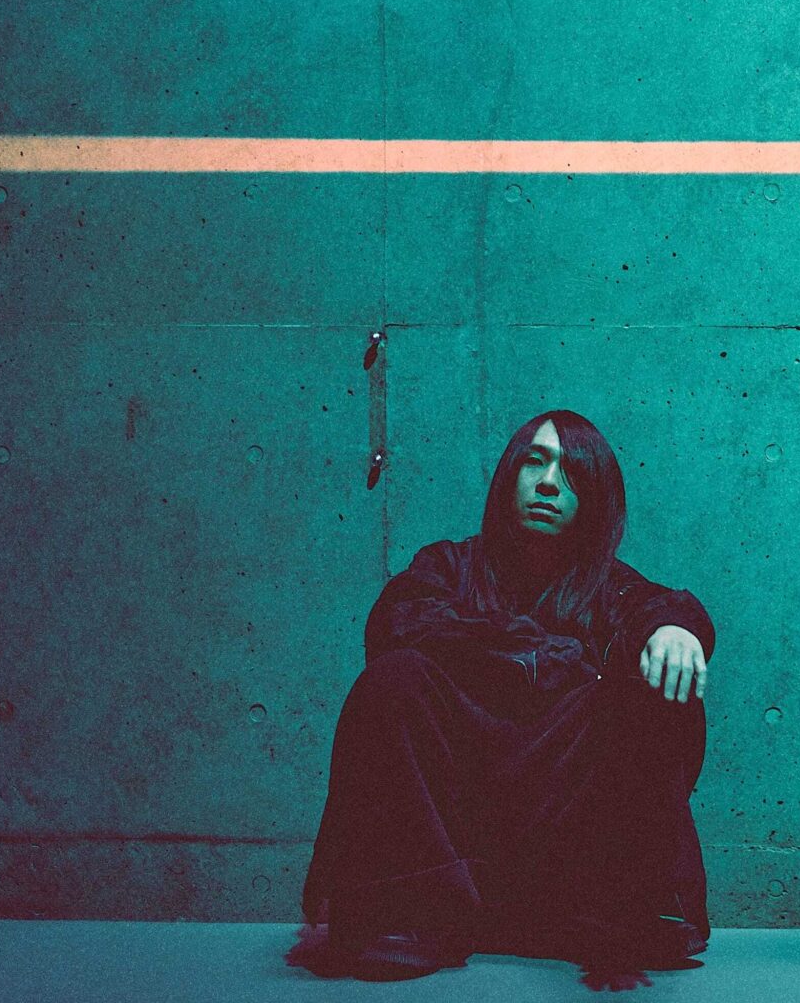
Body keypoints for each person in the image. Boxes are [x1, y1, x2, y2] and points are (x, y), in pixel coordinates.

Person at [292, 410, 716, 987]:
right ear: (508, 475)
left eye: (571, 473)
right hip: (450, 827)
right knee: (394, 678)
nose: (549, 484)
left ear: (595, 499)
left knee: (659, 685)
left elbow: (656, 607)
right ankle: (407, 914)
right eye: (535, 462)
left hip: (566, 840)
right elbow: (399, 619)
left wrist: (673, 631)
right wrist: (541, 655)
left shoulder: (609, 588)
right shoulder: (449, 566)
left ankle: (634, 904)